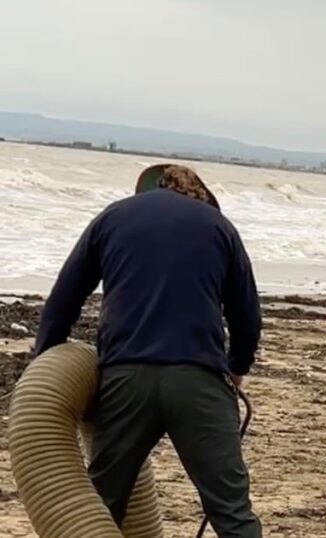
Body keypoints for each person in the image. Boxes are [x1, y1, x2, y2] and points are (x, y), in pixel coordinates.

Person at [33, 164, 263, 537]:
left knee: (102, 506)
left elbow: (64, 300)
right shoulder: (220, 228)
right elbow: (247, 316)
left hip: (126, 381)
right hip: (199, 383)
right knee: (232, 512)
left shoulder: (112, 217)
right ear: (200, 195)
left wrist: (46, 364)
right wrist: (236, 368)